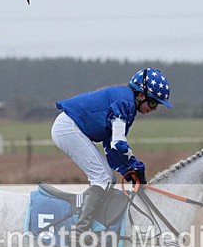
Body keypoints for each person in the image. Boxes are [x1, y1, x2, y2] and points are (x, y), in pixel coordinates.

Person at [51, 67, 172, 232]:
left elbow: (111, 146)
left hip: (69, 127)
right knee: (103, 179)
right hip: (67, 128)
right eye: (153, 103)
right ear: (141, 95)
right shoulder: (125, 102)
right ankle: (79, 231)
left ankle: (87, 224)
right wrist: (135, 167)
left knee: (108, 178)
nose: (153, 109)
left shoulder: (126, 101)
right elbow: (118, 144)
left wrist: (128, 170)